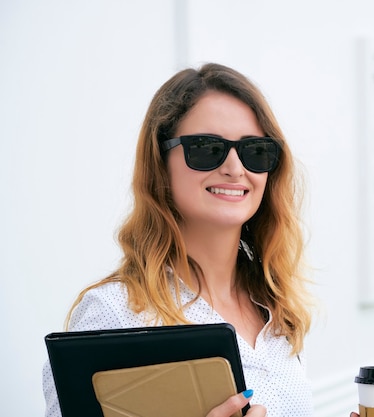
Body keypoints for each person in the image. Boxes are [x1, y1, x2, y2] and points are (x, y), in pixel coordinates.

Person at [42, 63, 316, 417]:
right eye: (206, 147)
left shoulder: (278, 307)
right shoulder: (114, 314)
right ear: (160, 162)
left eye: (255, 150)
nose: (235, 167)